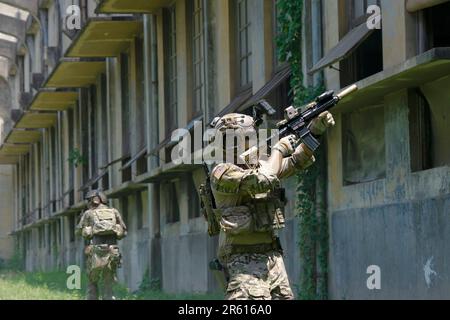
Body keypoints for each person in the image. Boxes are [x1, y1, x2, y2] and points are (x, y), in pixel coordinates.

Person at [209, 111, 335, 300]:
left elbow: (296, 161)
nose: (254, 139)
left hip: (272, 258)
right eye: (248, 135)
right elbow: (263, 180)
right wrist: (278, 150)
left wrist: (314, 131)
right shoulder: (222, 172)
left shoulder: (260, 165)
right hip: (242, 261)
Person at [76, 190, 127, 300]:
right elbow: (124, 231)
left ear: (93, 200)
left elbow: (78, 232)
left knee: (92, 281)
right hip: (113, 252)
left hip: (96, 252)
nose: (88, 203)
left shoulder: (88, 213)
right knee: (108, 282)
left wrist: (85, 228)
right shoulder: (114, 211)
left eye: (88, 200)